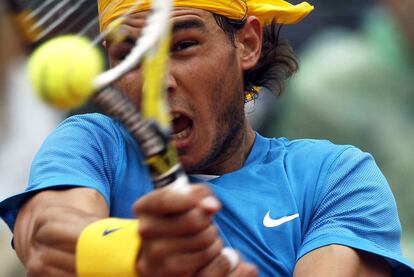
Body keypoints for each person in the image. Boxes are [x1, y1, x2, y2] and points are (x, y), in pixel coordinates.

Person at [0, 0, 413, 276]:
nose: (156, 83)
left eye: (183, 45)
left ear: (247, 43)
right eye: (127, 57)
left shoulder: (337, 177)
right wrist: (141, 255)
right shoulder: (94, 144)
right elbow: (42, 239)